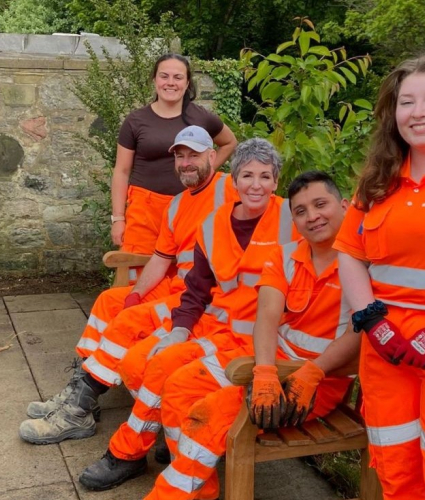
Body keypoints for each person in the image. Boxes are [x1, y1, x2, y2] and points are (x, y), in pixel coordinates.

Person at [77, 138, 296, 492]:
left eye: (265, 176)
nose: (256, 185)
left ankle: (129, 455)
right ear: (234, 180)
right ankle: (166, 465)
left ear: (276, 181)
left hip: (262, 341)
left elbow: (337, 243)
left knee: (166, 373)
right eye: (247, 175)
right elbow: (195, 290)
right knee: (151, 360)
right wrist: (179, 331)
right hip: (215, 328)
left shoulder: (292, 217)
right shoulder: (213, 225)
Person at [144, 171, 359, 500]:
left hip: (316, 382)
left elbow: (361, 332)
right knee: (179, 387)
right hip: (269, 367)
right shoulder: (285, 256)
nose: (312, 216)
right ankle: (201, 490)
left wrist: (313, 371)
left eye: (320, 204)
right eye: (300, 211)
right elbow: (266, 319)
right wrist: (264, 370)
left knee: (212, 414)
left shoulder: (362, 263)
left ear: (343, 205)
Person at [19, 126, 237, 445]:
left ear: (213, 156)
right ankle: (81, 393)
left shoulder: (231, 188)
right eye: (180, 156)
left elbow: (275, 218)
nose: (186, 162)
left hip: (207, 298)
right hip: (179, 286)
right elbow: (161, 260)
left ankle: (76, 411)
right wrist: (136, 293)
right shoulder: (177, 205)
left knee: (129, 321)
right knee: (112, 301)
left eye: (194, 155)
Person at [334, 54, 425, 500]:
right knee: (395, 464)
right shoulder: (378, 180)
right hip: (385, 348)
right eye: (406, 102)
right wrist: (371, 320)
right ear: (394, 114)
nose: (418, 112)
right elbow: (350, 253)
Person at [111, 53, 237, 257]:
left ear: (187, 83)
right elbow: (122, 170)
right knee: (137, 273)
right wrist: (118, 218)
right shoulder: (135, 120)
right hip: (144, 212)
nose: (171, 83)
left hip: (191, 207)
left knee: (187, 271)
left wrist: (206, 171)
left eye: (178, 77)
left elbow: (229, 142)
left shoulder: (201, 117)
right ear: (154, 80)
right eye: (164, 76)